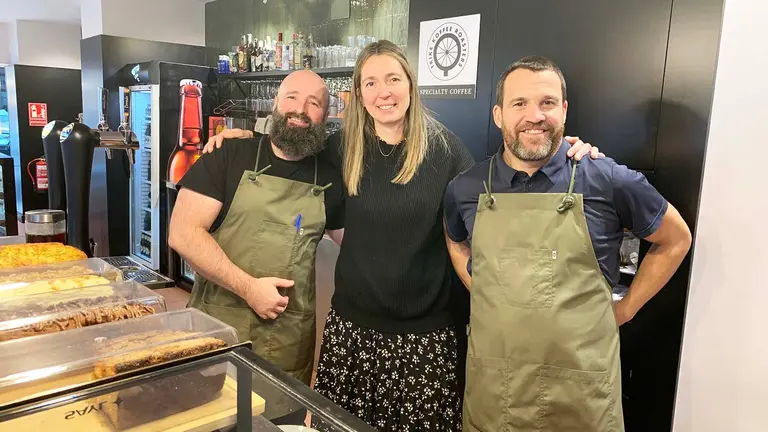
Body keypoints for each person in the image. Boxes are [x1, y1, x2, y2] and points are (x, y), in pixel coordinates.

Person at [202, 43, 601, 431]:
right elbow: (287, 147)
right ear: (358, 93)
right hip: (351, 335)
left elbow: (501, 188)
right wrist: (241, 143)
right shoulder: (341, 147)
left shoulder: (445, 150)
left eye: (393, 78)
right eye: (370, 82)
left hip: (425, 343)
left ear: (411, 85)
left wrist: (562, 154)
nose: (383, 92)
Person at [443, 55, 693, 432]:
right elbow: (455, 239)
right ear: (498, 115)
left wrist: (626, 309)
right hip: (496, 394)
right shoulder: (465, 188)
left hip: (580, 397)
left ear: (563, 110)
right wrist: (478, 289)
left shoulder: (606, 179)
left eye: (546, 103)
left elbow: (676, 239)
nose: (534, 116)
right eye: (519, 104)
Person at [167, 69, 345, 424]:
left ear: (324, 117)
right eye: (292, 97)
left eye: (314, 103)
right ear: (276, 104)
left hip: (287, 342)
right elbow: (183, 233)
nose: (301, 109)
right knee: (212, 421)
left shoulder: (329, 178)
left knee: (278, 424)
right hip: (219, 332)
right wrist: (249, 288)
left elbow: (355, 245)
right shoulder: (231, 154)